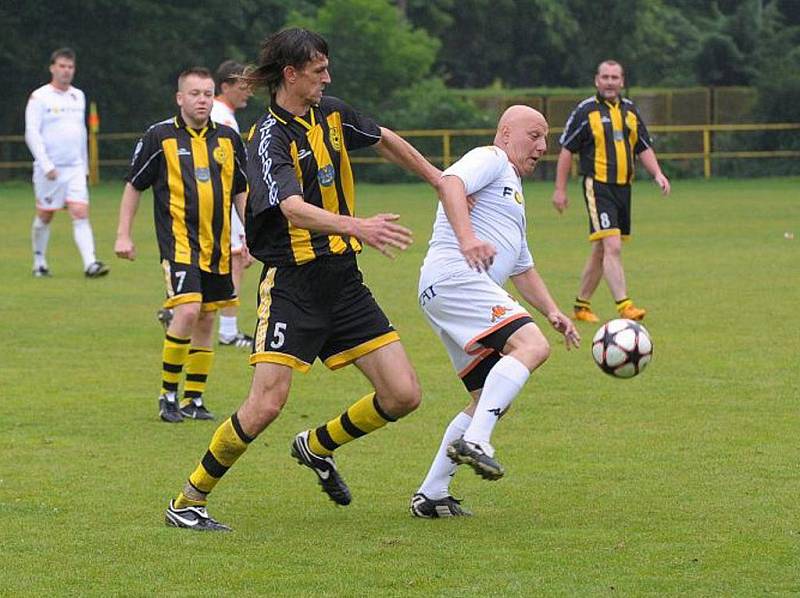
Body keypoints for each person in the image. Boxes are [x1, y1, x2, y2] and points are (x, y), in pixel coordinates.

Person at [164, 28, 442, 532]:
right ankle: (188, 499)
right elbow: (291, 207)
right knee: (267, 403)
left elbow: (384, 139)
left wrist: (439, 179)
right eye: (318, 71)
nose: (327, 78)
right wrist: (358, 225)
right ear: (290, 75)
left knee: (403, 394)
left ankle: (316, 446)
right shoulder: (268, 138)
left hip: (344, 282)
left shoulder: (331, 113)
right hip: (293, 286)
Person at [409, 106, 580, 518]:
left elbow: (522, 267)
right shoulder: (491, 158)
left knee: (484, 396)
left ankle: (431, 494)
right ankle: (479, 441)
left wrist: (554, 311)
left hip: (445, 288)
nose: (542, 146)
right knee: (532, 346)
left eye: (546, 139)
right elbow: (449, 182)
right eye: (534, 135)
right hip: (456, 276)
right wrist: (467, 239)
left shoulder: (513, 194)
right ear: (505, 134)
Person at [114, 67, 248, 424]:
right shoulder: (160, 137)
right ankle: (168, 394)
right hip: (179, 245)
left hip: (218, 246)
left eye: (206, 94)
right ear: (180, 98)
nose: (202, 100)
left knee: (206, 318)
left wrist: (250, 235)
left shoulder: (228, 140)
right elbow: (133, 185)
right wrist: (122, 234)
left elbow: (241, 191)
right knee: (187, 311)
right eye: (194, 93)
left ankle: (194, 398)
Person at [552, 60, 670, 323]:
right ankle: (624, 305)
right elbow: (567, 150)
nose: (609, 82)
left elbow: (643, 146)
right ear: (597, 80)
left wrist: (658, 174)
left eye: (614, 77)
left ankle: (581, 306)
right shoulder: (586, 111)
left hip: (624, 188)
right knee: (612, 245)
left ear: (622, 81)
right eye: (605, 77)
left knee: (602, 250)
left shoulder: (630, 111)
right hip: (598, 185)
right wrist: (560, 190)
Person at [24, 47, 109, 278]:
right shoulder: (39, 97)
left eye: (70, 67)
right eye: (62, 66)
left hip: (73, 168)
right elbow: (32, 132)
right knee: (45, 215)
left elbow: (80, 133)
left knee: (80, 212)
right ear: (52, 68)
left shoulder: (78, 96)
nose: (66, 71)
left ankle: (91, 264)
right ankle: (39, 262)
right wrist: (46, 164)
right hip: (49, 170)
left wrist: (83, 168)